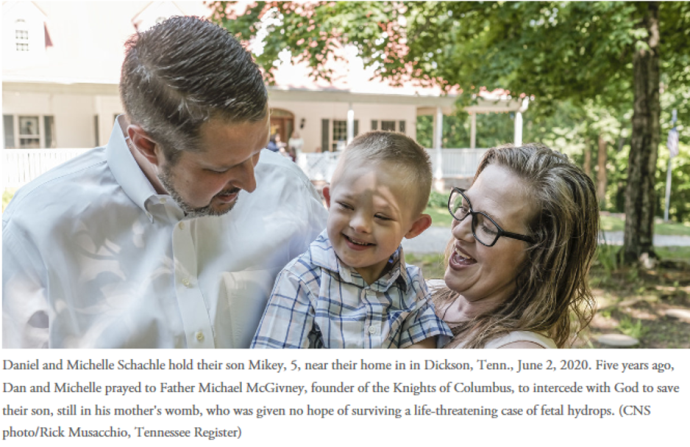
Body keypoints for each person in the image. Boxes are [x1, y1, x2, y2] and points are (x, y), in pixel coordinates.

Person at [2, 17, 327, 349]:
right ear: (147, 146)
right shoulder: (36, 231)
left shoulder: (289, 190)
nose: (252, 183)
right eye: (222, 167)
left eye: (258, 152)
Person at [251, 131, 452, 348]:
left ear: (413, 227)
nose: (359, 225)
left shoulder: (411, 285)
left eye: (381, 216)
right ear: (328, 199)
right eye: (346, 206)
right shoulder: (302, 281)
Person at [433, 143, 599, 349]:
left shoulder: (517, 352)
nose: (459, 231)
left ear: (539, 255)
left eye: (488, 227)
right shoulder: (424, 292)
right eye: (464, 207)